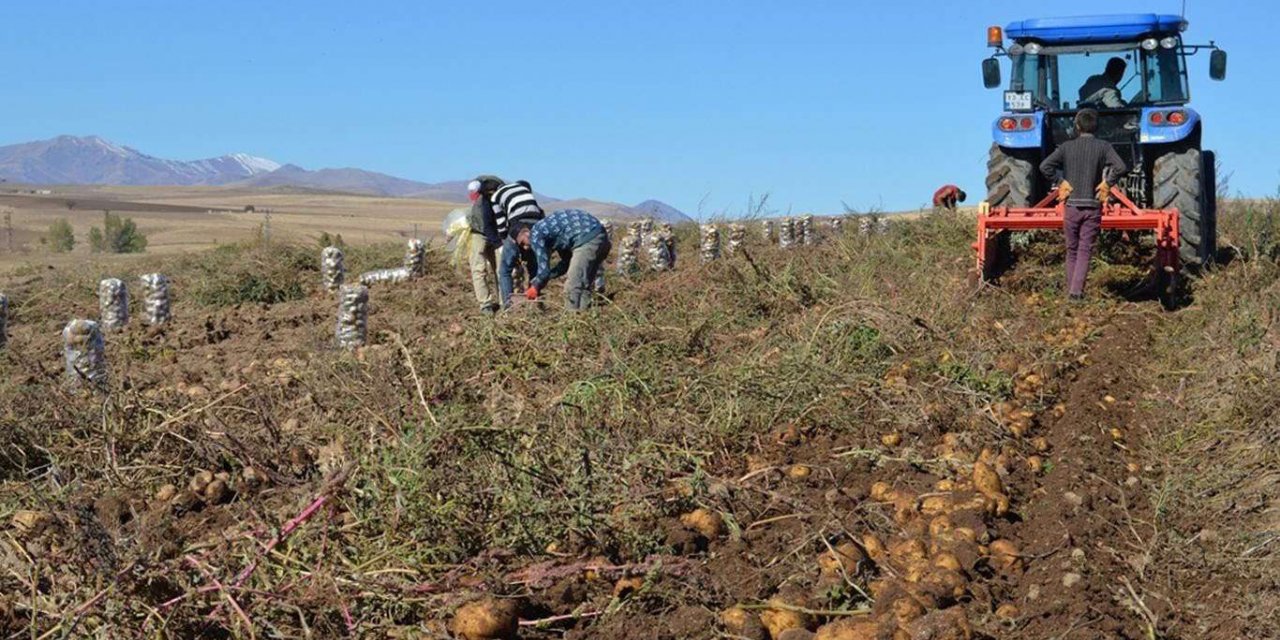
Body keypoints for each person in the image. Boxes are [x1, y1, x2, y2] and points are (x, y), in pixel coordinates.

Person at [1039, 109, 1127, 301]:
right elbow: (1121, 167)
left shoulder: (1066, 147)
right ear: (1097, 127)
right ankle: (1076, 293)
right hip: (1092, 206)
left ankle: (1071, 292)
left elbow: (1044, 166)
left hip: (1071, 207)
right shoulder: (1103, 146)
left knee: (1071, 249)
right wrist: (1107, 183)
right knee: (1085, 250)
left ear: (1077, 126)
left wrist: (1060, 181)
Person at [511, 209, 612, 310]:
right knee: (584, 285)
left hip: (587, 239)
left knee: (573, 285)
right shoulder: (552, 231)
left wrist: (535, 287)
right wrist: (550, 275)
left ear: (526, 233)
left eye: (522, 243)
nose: (525, 247)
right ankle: (582, 315)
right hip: (601, 237)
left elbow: (543, 271)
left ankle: (571, 319)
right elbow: (566, 263)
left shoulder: (535, 234)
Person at [491, 179, 545, 309]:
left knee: (505, 270)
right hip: (536, 225)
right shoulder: (525, 191)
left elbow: (501, 224)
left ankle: (508, 308)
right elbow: (540, 214)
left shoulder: (495, 197)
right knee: (534, 268)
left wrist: (506, 244)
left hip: (518, 225)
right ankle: (535, 305)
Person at [466, 176, 504, 315]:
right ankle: (485, 304)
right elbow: (487, 226)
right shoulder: (482, 203)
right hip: (479, 233)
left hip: (498, 234)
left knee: (502, 270)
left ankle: (504, 302)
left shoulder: (503, 200)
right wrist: (499, 245)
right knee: (478, 268)